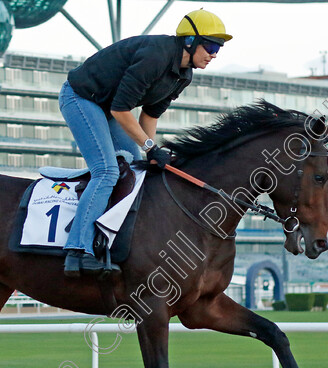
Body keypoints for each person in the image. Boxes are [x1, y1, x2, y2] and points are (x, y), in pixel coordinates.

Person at [59, 8, 232, 277]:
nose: (214, 54)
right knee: (106, 170)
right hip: (81, 98)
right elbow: (120, 110)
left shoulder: (183, 75)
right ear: (189, 41)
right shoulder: (156, 55)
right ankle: (78, 250)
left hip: (108, 107)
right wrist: (150, 147)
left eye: (218, 48)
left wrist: (150, 150)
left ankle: (112, 239)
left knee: (135, 167)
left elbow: (149, 115)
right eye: (210, 45)